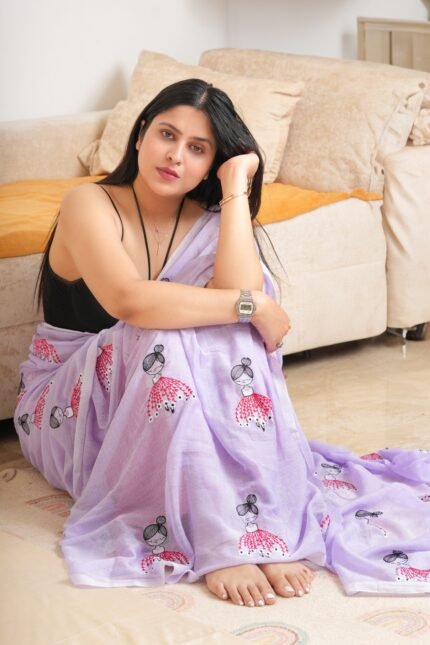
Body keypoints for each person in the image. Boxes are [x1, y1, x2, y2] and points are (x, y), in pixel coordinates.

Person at [15, 79, 430, 607]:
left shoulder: (206, 218)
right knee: (166, 326)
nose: (175, 155)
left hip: (157, 399)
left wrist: (235, 190)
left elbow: (242, 292)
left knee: (220, 317)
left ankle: (262, 517)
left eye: (198, 148)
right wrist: (251, 305)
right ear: (140, 135)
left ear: (212, 163)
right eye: (167, 134)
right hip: (69, 412)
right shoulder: (89, 203)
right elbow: (130, 302)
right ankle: (225, 536)